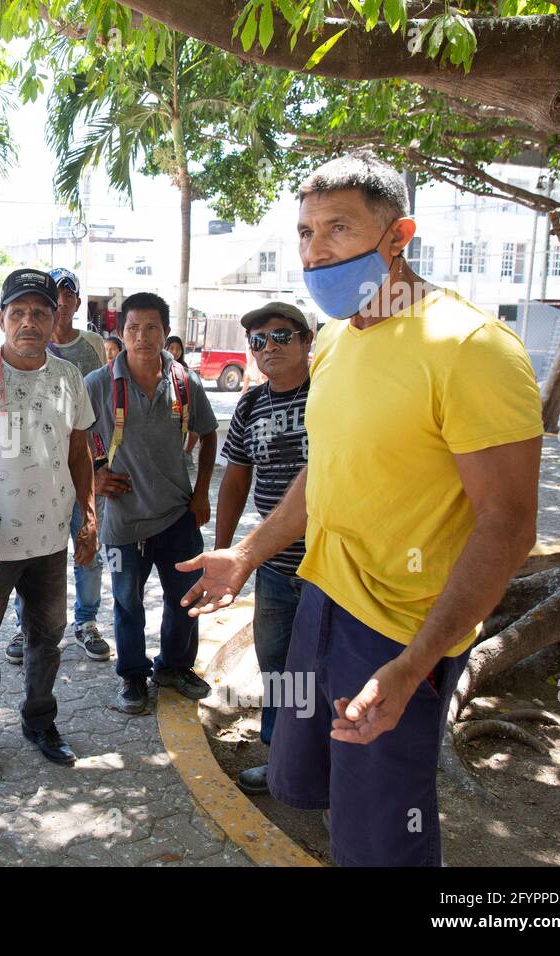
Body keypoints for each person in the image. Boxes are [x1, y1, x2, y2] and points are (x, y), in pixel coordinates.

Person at [180, 151, 542, 867]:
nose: (316, 252)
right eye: (306, 232)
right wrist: (246, 555)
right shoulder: (338, 342)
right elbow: (327, 473)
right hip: (322, 599)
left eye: (338, 230)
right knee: (304, 780)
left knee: (386, 830)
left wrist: (414, 665)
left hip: (402, 628)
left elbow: (509, 524)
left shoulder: (473, 348)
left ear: (398, 235)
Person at [0, 269, 97, 778]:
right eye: (19, 313)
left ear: (55, 318)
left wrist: (89, 517)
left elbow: (81, 452)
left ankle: (39, 721)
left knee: (47, 637)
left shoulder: (69, 379)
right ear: (1, 319)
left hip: (50, 541)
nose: (29, 322)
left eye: (40, 312)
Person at [84, 292, 218, 714]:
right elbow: (71, 439)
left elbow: (209, 433)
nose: (142, 337)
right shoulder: (98, 384)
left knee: (187, 598)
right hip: (123, 523)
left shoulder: (184, 380)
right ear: (120, 333)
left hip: (178, 515)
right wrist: (94, 476)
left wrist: (200, 492)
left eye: (152, 327)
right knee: (127, 604)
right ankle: (133, 677)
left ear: (165, 331)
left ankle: (174, 667)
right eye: (133, 328)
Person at [214, 302, 313, 795]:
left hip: (332, 569)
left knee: (324, 671)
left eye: (280, 337)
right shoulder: (250, 407)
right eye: (257, 341)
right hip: (274, 569)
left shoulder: (330, 396)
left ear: (306, 340)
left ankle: (327, 769)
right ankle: (281, 761)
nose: (268, 348)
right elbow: (234, 481)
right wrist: (225, 553)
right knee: (277, 671)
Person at [3, 267, 109, 665]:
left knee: (87, 546)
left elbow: (100, 405)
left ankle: (86, 621)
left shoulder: (92, 345)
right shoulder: (21, 351)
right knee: (24, 554)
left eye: (67, 296)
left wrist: (102, 465)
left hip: (80, 460)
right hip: (33, 469)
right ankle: (22, 625)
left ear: (77, 303)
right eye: (56, 296)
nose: (61, 303)